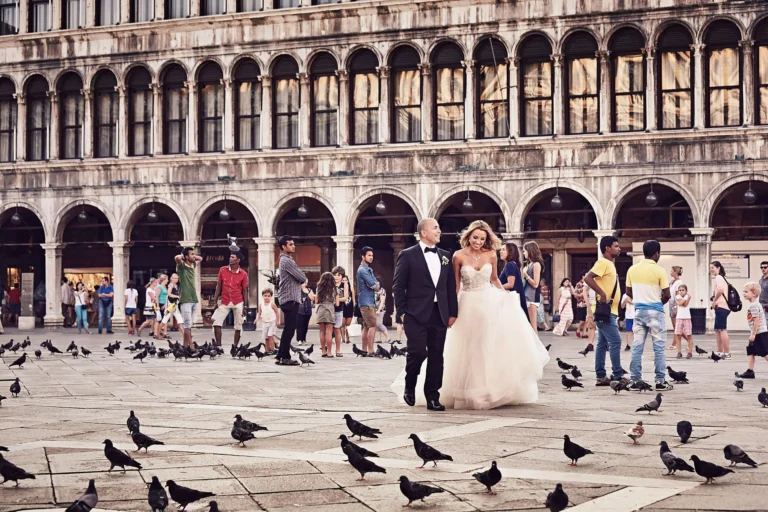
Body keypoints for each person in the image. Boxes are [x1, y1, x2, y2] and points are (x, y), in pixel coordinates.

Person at [393, 220, 549, 410]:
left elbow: (489, 280)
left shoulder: (466, 255)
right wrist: (404, 313)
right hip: (449, 307)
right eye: (475, 237)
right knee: (423, 352)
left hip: (475, 305)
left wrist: (503, 295)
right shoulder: (451, 256)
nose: (478, 242)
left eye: (482, 239)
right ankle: (411, 384)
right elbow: (451, 286)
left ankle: (437, 395)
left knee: (459, 352)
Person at [391, 218, 457, 411]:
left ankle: (433, 397)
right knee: (418, 352)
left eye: (439, 227)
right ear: (423, 232)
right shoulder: (407, 255)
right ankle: (410, 383)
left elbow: (450, 287)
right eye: (435, 227)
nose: (439, 231)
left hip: (439, 313)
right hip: (415, 314)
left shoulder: (445, 256)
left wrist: (452, 312)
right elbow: (398, 286)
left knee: (437, 357)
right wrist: (402, 313)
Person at [626, 240, 674, 391]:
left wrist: (640, 298)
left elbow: (628, 292)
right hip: (655, 312)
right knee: (659, 348)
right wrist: (658, 303)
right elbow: (667, 294)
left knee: (637, 346)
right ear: (656, 254)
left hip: (639, 311)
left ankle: (635, 380)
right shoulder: (659, 270)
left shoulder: (632, 269)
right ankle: (660, 381)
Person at [584, 236, 625, 386]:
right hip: (605, 311)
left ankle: (601, 376)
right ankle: (618, 375)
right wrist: (601, 294)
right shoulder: (603, 263)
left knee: (602, 344)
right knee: (615, 341)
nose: (619, 248)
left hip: (609, 310)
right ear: (608, 248)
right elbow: (588, 278)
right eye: (616, 246)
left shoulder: (609, 264)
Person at [275, 235, 306, 366]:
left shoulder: (285, 260)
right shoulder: (287, 261)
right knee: (290, 329)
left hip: (287, 298)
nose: (294, 246)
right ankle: (285, 357)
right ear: (283, 246)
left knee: (288, 328)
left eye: (293, 244)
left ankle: (280, 356)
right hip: (290, 299)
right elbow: (302, 277)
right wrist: (302, 275)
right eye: (290, 244)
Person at [211, 252, 249, 347]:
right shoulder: (222, 270)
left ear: (238, 260)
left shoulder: (243, 274)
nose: (230, 258)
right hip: (225, 301)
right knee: (216, 322)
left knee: (238, 325)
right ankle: (219, 346)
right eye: (230, 257)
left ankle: (235, 346)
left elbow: (245, 290)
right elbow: (218, 286)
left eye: (233, 257)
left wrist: (245, 306)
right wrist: (215, 301)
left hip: (238, 301)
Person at [175, 246, 203, 348]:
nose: (194, 256)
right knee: (187, 325)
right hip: (186, 299)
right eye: (192, 254)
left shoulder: (192, 265)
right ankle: (191, 346)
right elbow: (176, 258)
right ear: (186, 256)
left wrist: (192, 256)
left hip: (194, 299)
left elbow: (201, 259)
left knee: (189, 326)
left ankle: (184, 346)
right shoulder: (181, 266)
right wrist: (183, 256)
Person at [740, 282, 768, 379]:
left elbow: (756, 321)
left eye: (746, 292)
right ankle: (750, 371)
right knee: (751, 350)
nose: (744, 293)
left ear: (754, 293)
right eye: (744, 291)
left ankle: (750, 371)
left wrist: (753, 334)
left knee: (765, 353)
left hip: (759, 333)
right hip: (757, 332)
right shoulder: (754, 304)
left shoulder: (754, 306)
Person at [356, 246, 380, 356]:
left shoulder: (368, 269)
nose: (371, 257)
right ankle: (370, 351)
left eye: (372, 255)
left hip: (368, 301)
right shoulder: (362, 270)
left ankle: (364, 350)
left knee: (366, 326)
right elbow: (374, 285)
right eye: (369, 255)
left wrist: (375, 285)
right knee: (372, 326)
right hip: (367, 302)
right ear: (363, 256)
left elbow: (376, 285)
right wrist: (375, 285)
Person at [498, 242, 527, 313]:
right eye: (500, 249)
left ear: (510, 252)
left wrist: (496, 288)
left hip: (511, 301)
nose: (500, 251)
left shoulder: (510, 265)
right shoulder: (512, 264)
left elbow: (510, 284)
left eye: (503, 249)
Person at [710, 261, 731, 358]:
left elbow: (720, 290)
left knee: (722, 329)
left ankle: (726, 353)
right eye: (710, 268)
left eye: (713, 267)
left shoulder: (718, 277)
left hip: (722, 307)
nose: (711, 270)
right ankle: (720, 352)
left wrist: (714, 301)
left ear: (718, 268)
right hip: (721, 307)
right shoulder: (721, 278)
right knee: (718, 330)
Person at [522, 241, 544, 333]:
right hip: (526, 295)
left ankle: (537, 342)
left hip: (532, 297)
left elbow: (535, 284)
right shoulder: (529, 264)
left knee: (533, 325)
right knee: (528, 325)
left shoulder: (536, 264)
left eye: (525, 251)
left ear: (530, 251)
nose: (524, 253)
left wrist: (526, 275)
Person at [331, 266, 349, 357]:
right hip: (329, 309)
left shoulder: (344, 285)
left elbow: (345, 297)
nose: (337, 277)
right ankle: (327, 349)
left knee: (337, 329)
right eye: (335, 275)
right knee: (328, 330)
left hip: (339, 310)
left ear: (342, 276)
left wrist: (336, 300)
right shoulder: (330, 284)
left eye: (339, 275)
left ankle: (338, 350)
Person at [257, 288, 280, 355]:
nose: (267, 297)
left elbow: (277, 312)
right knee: (266, 337)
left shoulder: (272, 304)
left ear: (271, 296)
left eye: (268, 296)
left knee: (270, 336)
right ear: (262, 296)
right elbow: (259, 313)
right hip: (265, 323)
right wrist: (257, 318)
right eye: (265, 295)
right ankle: (267, 351)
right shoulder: (261, 304)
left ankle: (273, 350)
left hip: (272, 322)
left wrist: (277, 321)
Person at [673, 284, 693, 359]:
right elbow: (681, 303)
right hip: (679, 317)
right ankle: (679, 352)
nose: (681, 292)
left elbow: (684, 305)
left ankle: (690, 352)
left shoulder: (686, 296)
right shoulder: (678, 296)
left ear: (686, 291)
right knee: (678, 334)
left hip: (687, 317)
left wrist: (684, 300)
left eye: (683, 290)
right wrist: (687, 299)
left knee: (689, 335)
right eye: (680, 290)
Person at [667, 266, 683, 349]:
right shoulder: (674, 282)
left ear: (675, 272)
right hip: (671, 302)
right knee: (676, 326)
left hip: (674, 303)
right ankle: (675, 343)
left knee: (676, 326)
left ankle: (674, 344)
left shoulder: (678, 283)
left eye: (671, 271)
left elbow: (677, 295)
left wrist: (676, 307)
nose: (670, 272)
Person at [296, 280, 314, 345]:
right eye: (302, 282)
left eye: (304, 282)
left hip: (308, 310)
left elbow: (312, 298)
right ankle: (299, 339)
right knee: (299, 325)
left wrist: (307, 292)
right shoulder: (297, 290)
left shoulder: (309, 290)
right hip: (299, 310)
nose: (303, 284)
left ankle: (303, 339)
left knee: (305, 326)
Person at [153, 274, 169, 340]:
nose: (168, 280)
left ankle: (159, 333)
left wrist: (165, 304)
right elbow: (157, 297)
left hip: (164, 304)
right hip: (159, 304)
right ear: (164, 280)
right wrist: (158, 306)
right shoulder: (159, 287)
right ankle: (157, 334)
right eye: (167, 279)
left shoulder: (165, 287)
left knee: (163, 320)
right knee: (159, 320)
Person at [341, 275, 355, 344]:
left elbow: (353, 299)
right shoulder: (340, 289)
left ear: (348, 281)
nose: (344, 281)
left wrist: (354, 308)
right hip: (342, 307)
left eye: (345, 280)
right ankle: (343, 339)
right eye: (343, 280)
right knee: (342, 324)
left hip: (350, 307)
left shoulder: (351, 289)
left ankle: (348, 338)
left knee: (348, 324)